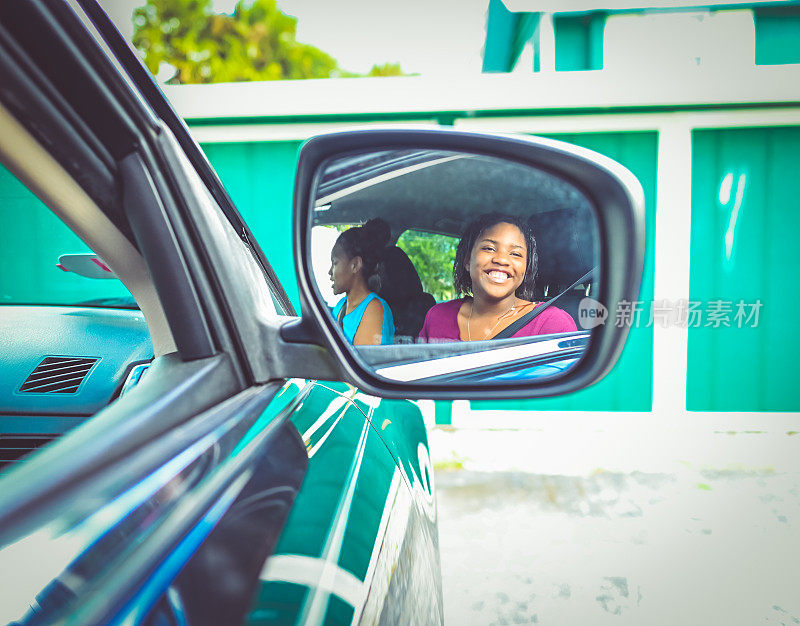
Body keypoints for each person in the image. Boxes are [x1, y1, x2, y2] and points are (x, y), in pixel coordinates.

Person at [418, 213, 576, 342]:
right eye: (489, 248)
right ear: (467, 261)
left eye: (515, 253)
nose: (501, 259)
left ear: (525, 268)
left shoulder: (552, 324)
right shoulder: (437, 316)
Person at [329, 218, 395, 345]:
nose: (330, 272)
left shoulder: (374, 309)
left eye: (335, 263)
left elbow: (363, 360)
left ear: (355, 265)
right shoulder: (340, 306)